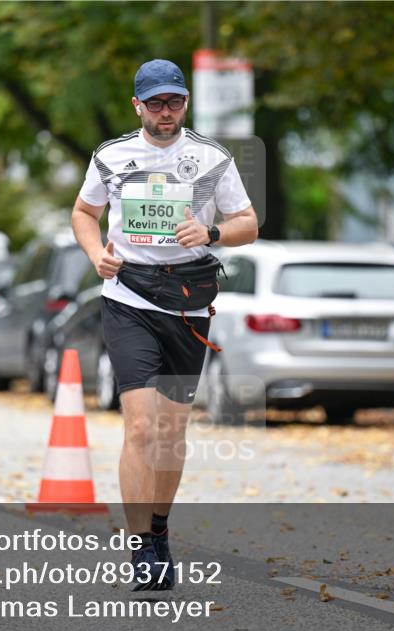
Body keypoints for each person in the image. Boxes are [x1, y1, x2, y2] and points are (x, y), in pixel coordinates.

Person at [71, 59, 258, 590]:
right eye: (155, 103)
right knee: (141, 427)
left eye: (174, 102)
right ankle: (141, 548)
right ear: (138, 106)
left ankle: (159, 530)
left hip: (187, 306)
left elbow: (248, 223)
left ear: (185, 103)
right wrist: (95, 255)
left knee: (172, 434)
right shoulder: (111, 156)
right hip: (127, 296)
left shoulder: (210, 158)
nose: (166, 112)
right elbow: (84, 213)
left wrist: (212, 234)